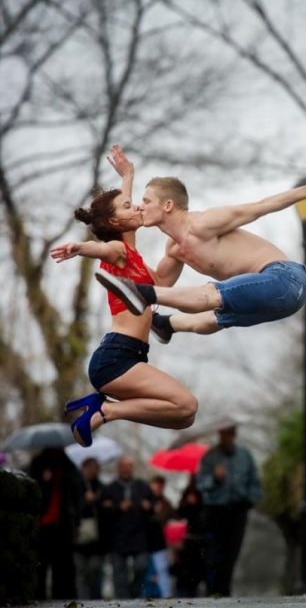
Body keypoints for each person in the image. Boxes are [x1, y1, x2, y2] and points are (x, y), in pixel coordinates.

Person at [94, 160, 306, 343]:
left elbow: (261, 207)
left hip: (285, 279)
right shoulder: (174, 250)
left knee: (209, 295)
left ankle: (144, 297)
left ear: (168, 205)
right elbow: (158, 282)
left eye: (146, 201)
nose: (140, 206)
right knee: (211, 318)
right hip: (281, 304)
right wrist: (119, 253)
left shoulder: (204, 223)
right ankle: (165, 325)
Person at [49, 145, 197, 448]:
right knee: (186, 404)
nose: (138, 208)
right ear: (115, 223)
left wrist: (128, 174)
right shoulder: (117, 252)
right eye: (131, 206)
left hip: (130, 356)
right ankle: (105, 411)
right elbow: (101, 247)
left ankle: (104, 409)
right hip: (116, 358)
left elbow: (121, 211)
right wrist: (79, 248)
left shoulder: (130, 246)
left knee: (184, 414)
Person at [196, 425, 262, 597]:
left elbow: (254, 480)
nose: (227, 437)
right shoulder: (210, 457)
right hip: (215, 510)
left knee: (232, 550)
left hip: (238, 509)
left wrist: (250, 499)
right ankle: (212, 589)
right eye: (224, 434)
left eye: (230, 434)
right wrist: (215, 479)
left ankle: (225, 589)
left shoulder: (244, 455)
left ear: (234, 435)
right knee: (214, 552)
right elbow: (201, 484)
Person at [28, 447, 83, 600]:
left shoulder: (69, 466)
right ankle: (38, 596)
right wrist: (43, 480)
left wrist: (76, 520)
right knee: (40, 565)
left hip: (63, 525)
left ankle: (63, 597)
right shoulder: (38, 464)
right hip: (43, 524)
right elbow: (31, 490)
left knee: (63, 566)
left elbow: (78, 492)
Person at [100, 455, 153, 599]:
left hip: (138, 536)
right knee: (118, 571)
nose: (126, 470)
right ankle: (122, 600)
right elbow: (103, 510)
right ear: (118, 469)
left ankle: (134, 592)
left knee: (141, 566)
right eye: (123, 467)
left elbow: (153, 504)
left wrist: (148, 506)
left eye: (128, 467)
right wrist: (118, 507)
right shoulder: (110, 488)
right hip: (117, 537)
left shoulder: (141, 486)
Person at [74, 457, 107, 600]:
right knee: (81, 571)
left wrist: (96, 501)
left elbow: (106, 511)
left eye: (95, 468)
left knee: (95, 569)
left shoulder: (102, 487)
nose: (92, 471)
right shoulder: (76, 486)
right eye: (89, 468)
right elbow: (72, 508)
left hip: (97, 538)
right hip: (79, 536)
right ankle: (83, 599)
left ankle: (96, 598)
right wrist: (84, 501)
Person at [172, 475, 207, 597]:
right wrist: (188, 504)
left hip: (203, 539)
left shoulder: (207, 493)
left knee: (200, 570)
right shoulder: (188, 492)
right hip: (190, 539)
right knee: (187, 571)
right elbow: (180, 514)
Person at [144, 475, 175, 598]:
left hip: (159, 542)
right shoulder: (144, 501)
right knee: (146, 570)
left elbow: (170, 519)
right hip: (144, 542)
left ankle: (165, 594)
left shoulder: (165, 503)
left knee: (162, 569)